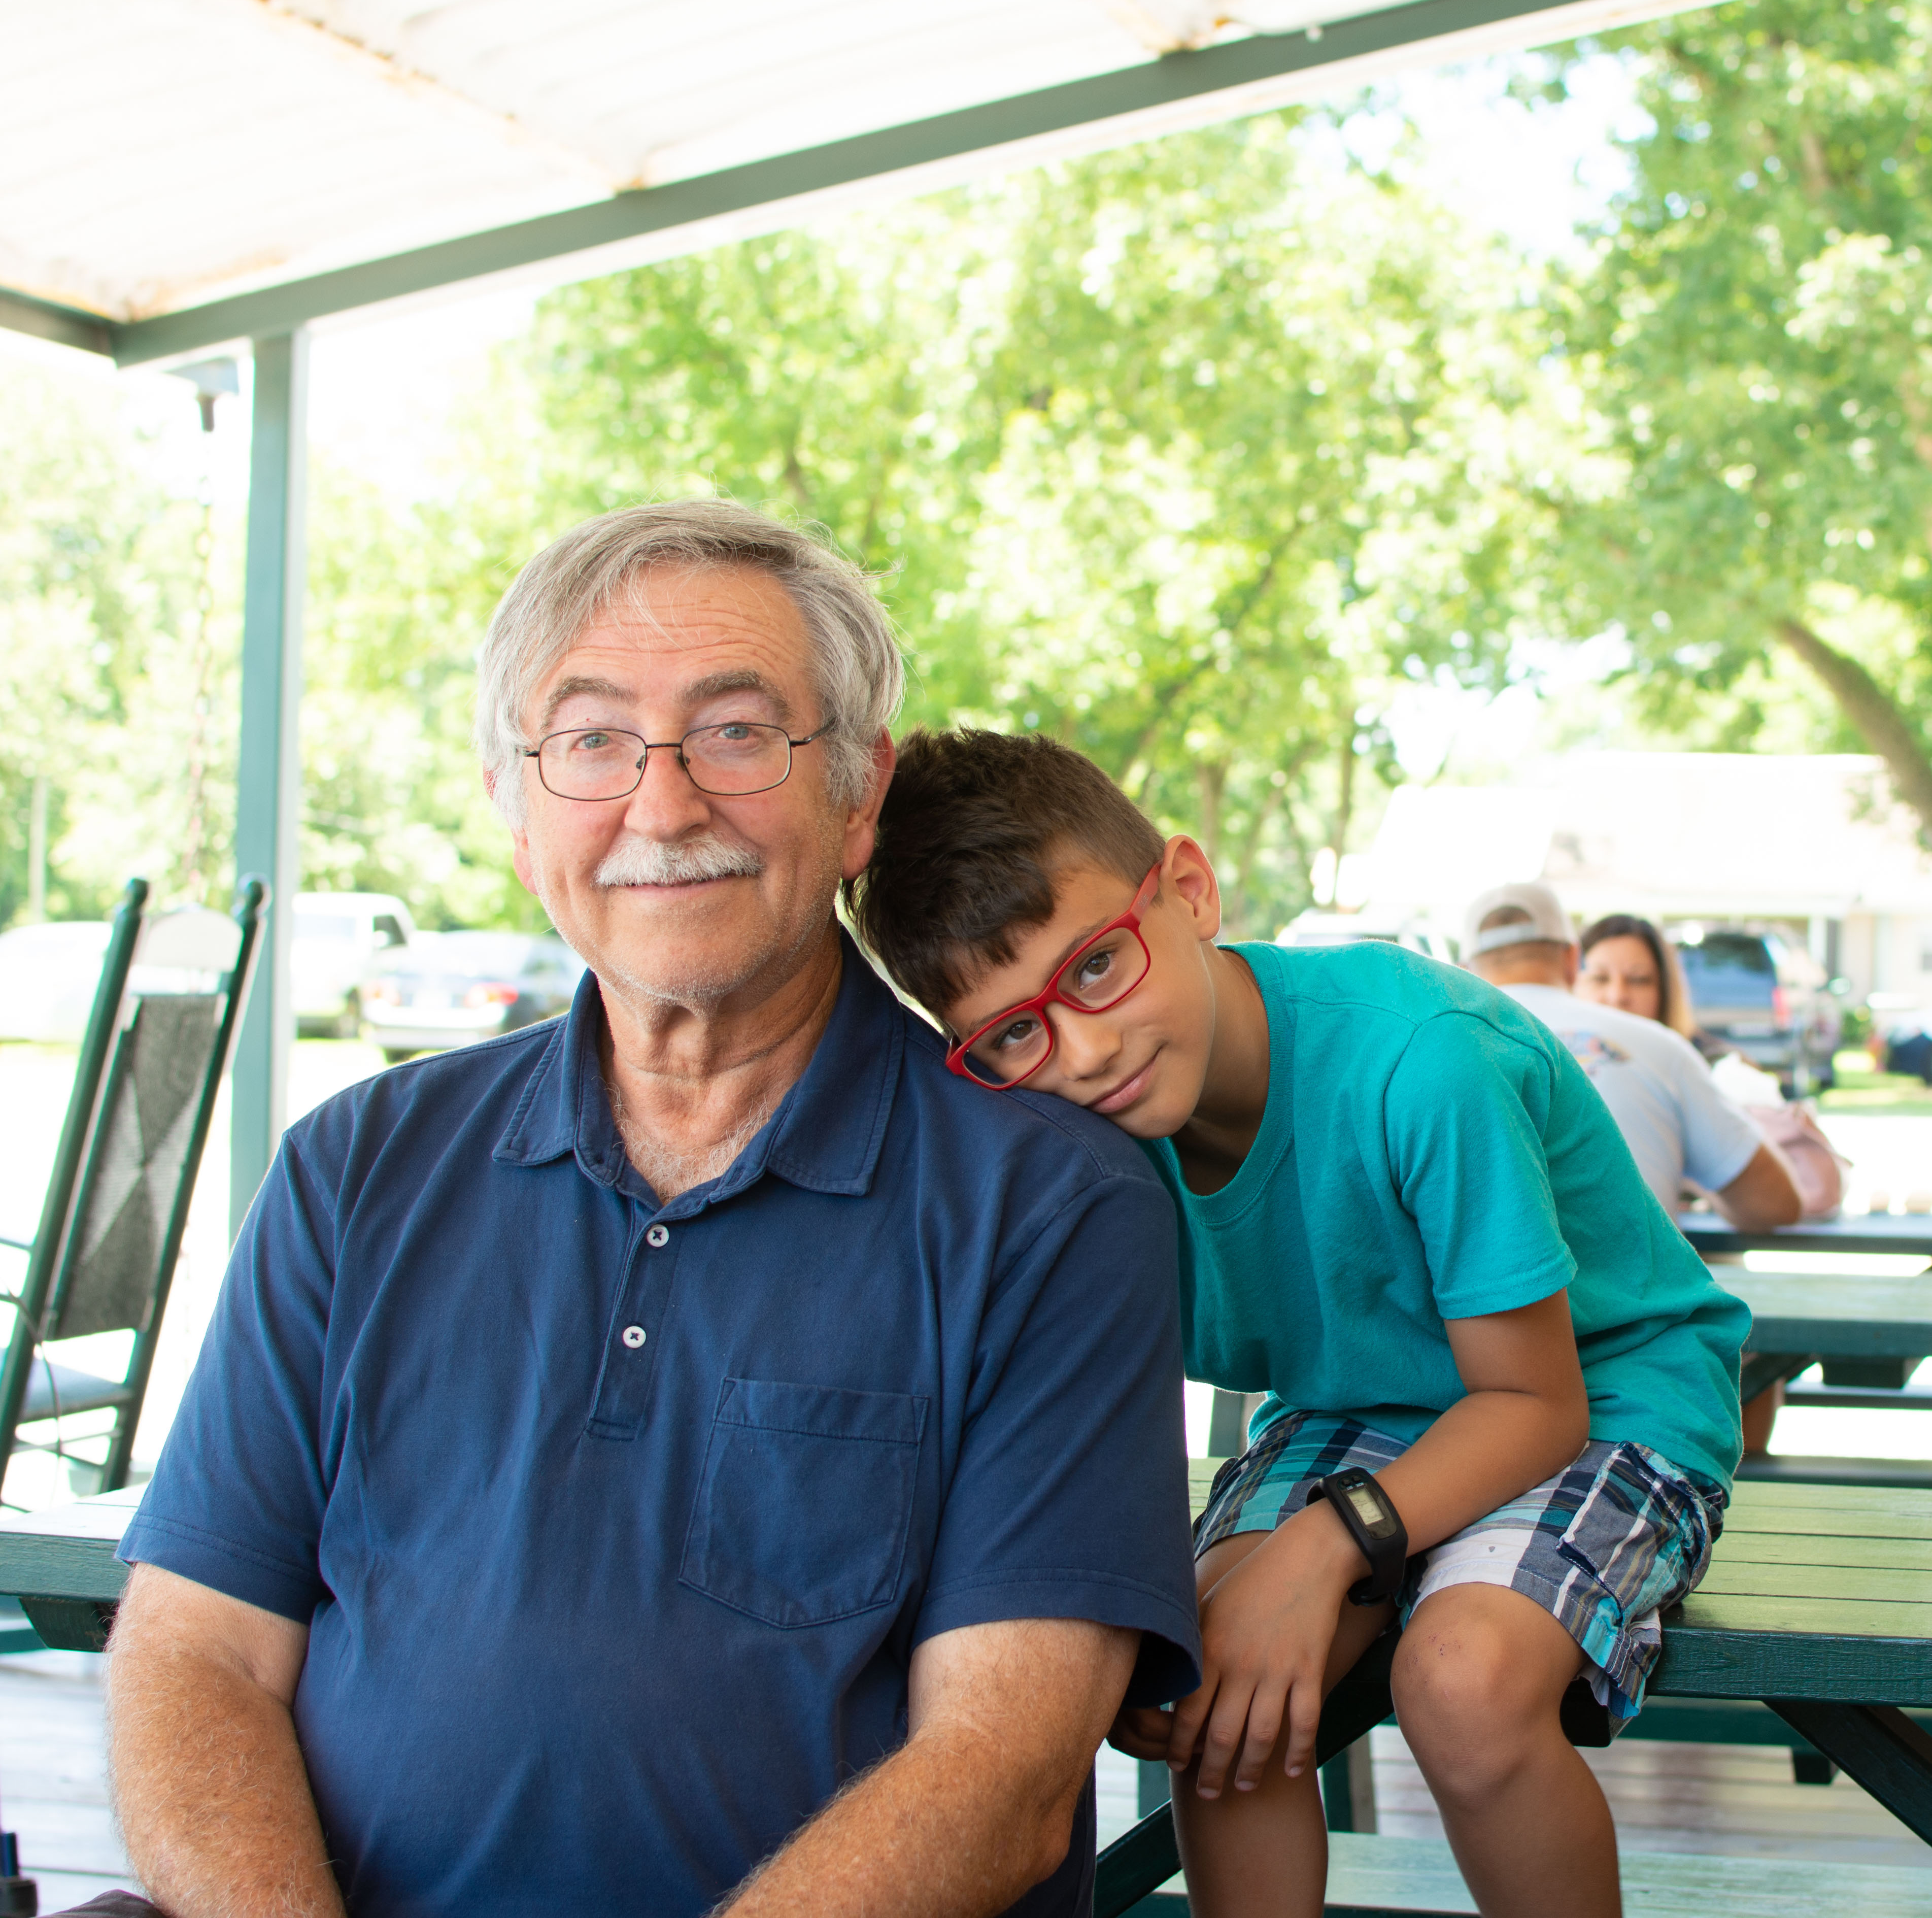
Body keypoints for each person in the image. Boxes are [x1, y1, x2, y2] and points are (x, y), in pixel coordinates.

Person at [90, 505, 1202, 1918]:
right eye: (590, 738)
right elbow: (195, 1652)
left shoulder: (1049, 1205)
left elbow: (1001, 1770)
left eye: (736, 732)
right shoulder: (354, 1166)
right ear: (516, 809)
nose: (662, 807)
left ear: (857, 793)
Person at [848, 728, 1752, 1918]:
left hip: (1599, 1392)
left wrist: (1323, 1548)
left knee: (1463, 1681)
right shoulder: (1068, 1143)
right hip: (1357, 1403)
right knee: (1210, 1690)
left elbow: (1535, 1406)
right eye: (1012, 1030)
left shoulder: (1419, 1062)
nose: (1084, 1048)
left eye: (1096, 965)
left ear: (1188, 888)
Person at [1515, 893, 1803, 1454]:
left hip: (1547, 1327)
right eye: (1601, 976)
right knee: (1728, 1310)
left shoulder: (1507, 1043)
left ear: (1665, 989)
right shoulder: (1666, 1055)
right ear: (1572, 970)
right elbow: (1773, 1203)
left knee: (1735, 1313)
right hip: (1614, 1334)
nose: (1617, 995)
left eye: (1638, 980)